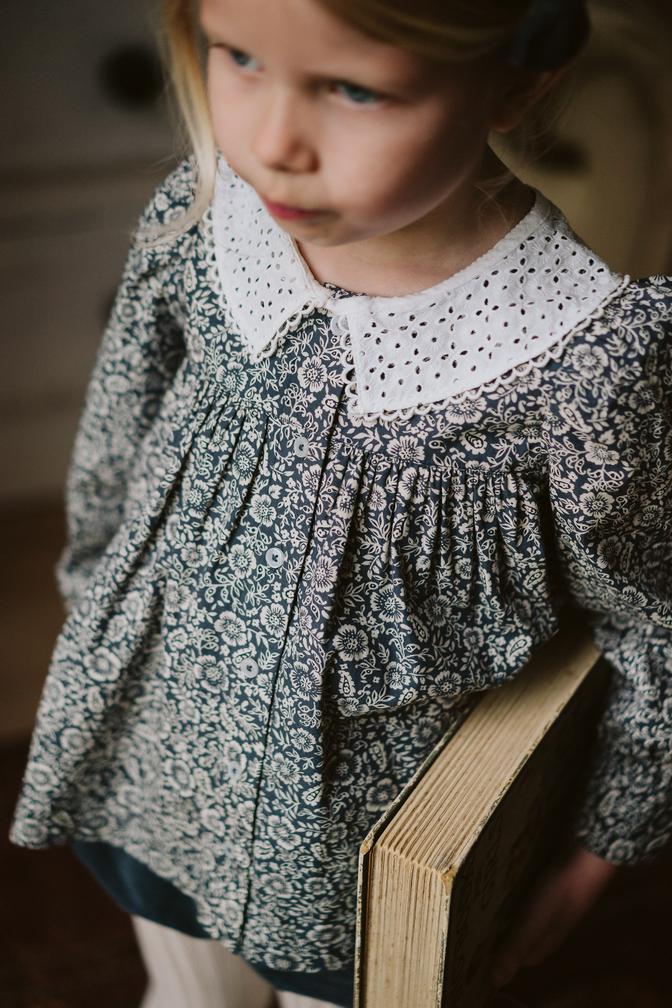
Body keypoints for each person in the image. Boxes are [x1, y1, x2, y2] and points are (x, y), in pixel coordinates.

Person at [9, 0, 672, 1005]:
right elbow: (114, 446)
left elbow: (651, 621)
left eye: (354, 89)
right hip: (162, 766)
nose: (275, 143)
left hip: (358, 864)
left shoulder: (585, 360)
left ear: (515, 83)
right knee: (186, 994)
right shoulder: (202, 218)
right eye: (239, 57)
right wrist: (96, 621)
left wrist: (599, 850)